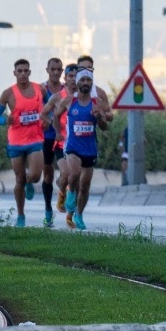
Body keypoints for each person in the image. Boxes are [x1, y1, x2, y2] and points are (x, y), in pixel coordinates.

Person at [50, 68, 112, 230]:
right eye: (82, 80)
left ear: (92, 83)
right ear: (77, 82)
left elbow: (105, 127)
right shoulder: (69, 100)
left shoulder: (97, 102)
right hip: (72, 146)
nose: (85, 83)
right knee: (75, 173)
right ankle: (70, 194)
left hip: (90, 148)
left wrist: (100, 117)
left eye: (88, 80)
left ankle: (79, 214)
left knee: (85, 185)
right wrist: (57, 133)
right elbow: (56, 116)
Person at [0, 59, 48, 227]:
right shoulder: (8, 93)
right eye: (19, 71)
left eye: (25, 70)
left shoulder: (40, 89)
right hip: (16, 142)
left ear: (30, 72)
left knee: (36, 175)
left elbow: (53, 104)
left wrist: (48, 119)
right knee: (19, 179)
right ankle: (21, 215)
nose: (23, 74)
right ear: (14, 73)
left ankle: (31, 182)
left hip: (35, 139)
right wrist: (4, 120)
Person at [41, 63, 78, 227]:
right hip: (62, 143)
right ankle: (61, 189)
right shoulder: (58, 97)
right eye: (71, 76)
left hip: (79, 143)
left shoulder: (83, 97)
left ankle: (71, 215)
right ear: (66, 78)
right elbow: (43, 113)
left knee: (76, 177)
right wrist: (55, 129)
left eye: (77, 76)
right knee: (66, 173)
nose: (74, 79)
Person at [38, 57, 66, 228]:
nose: (56, 73)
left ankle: (63, 192)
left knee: (67, 173)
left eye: (59, 70)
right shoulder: (42, 89)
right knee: (47, 175)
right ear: (47, 70)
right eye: (53, 69)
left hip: (63, 137)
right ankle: (48, 210)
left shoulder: (66, 90)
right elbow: (38, 110)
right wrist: (46, 120)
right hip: (46, 136)